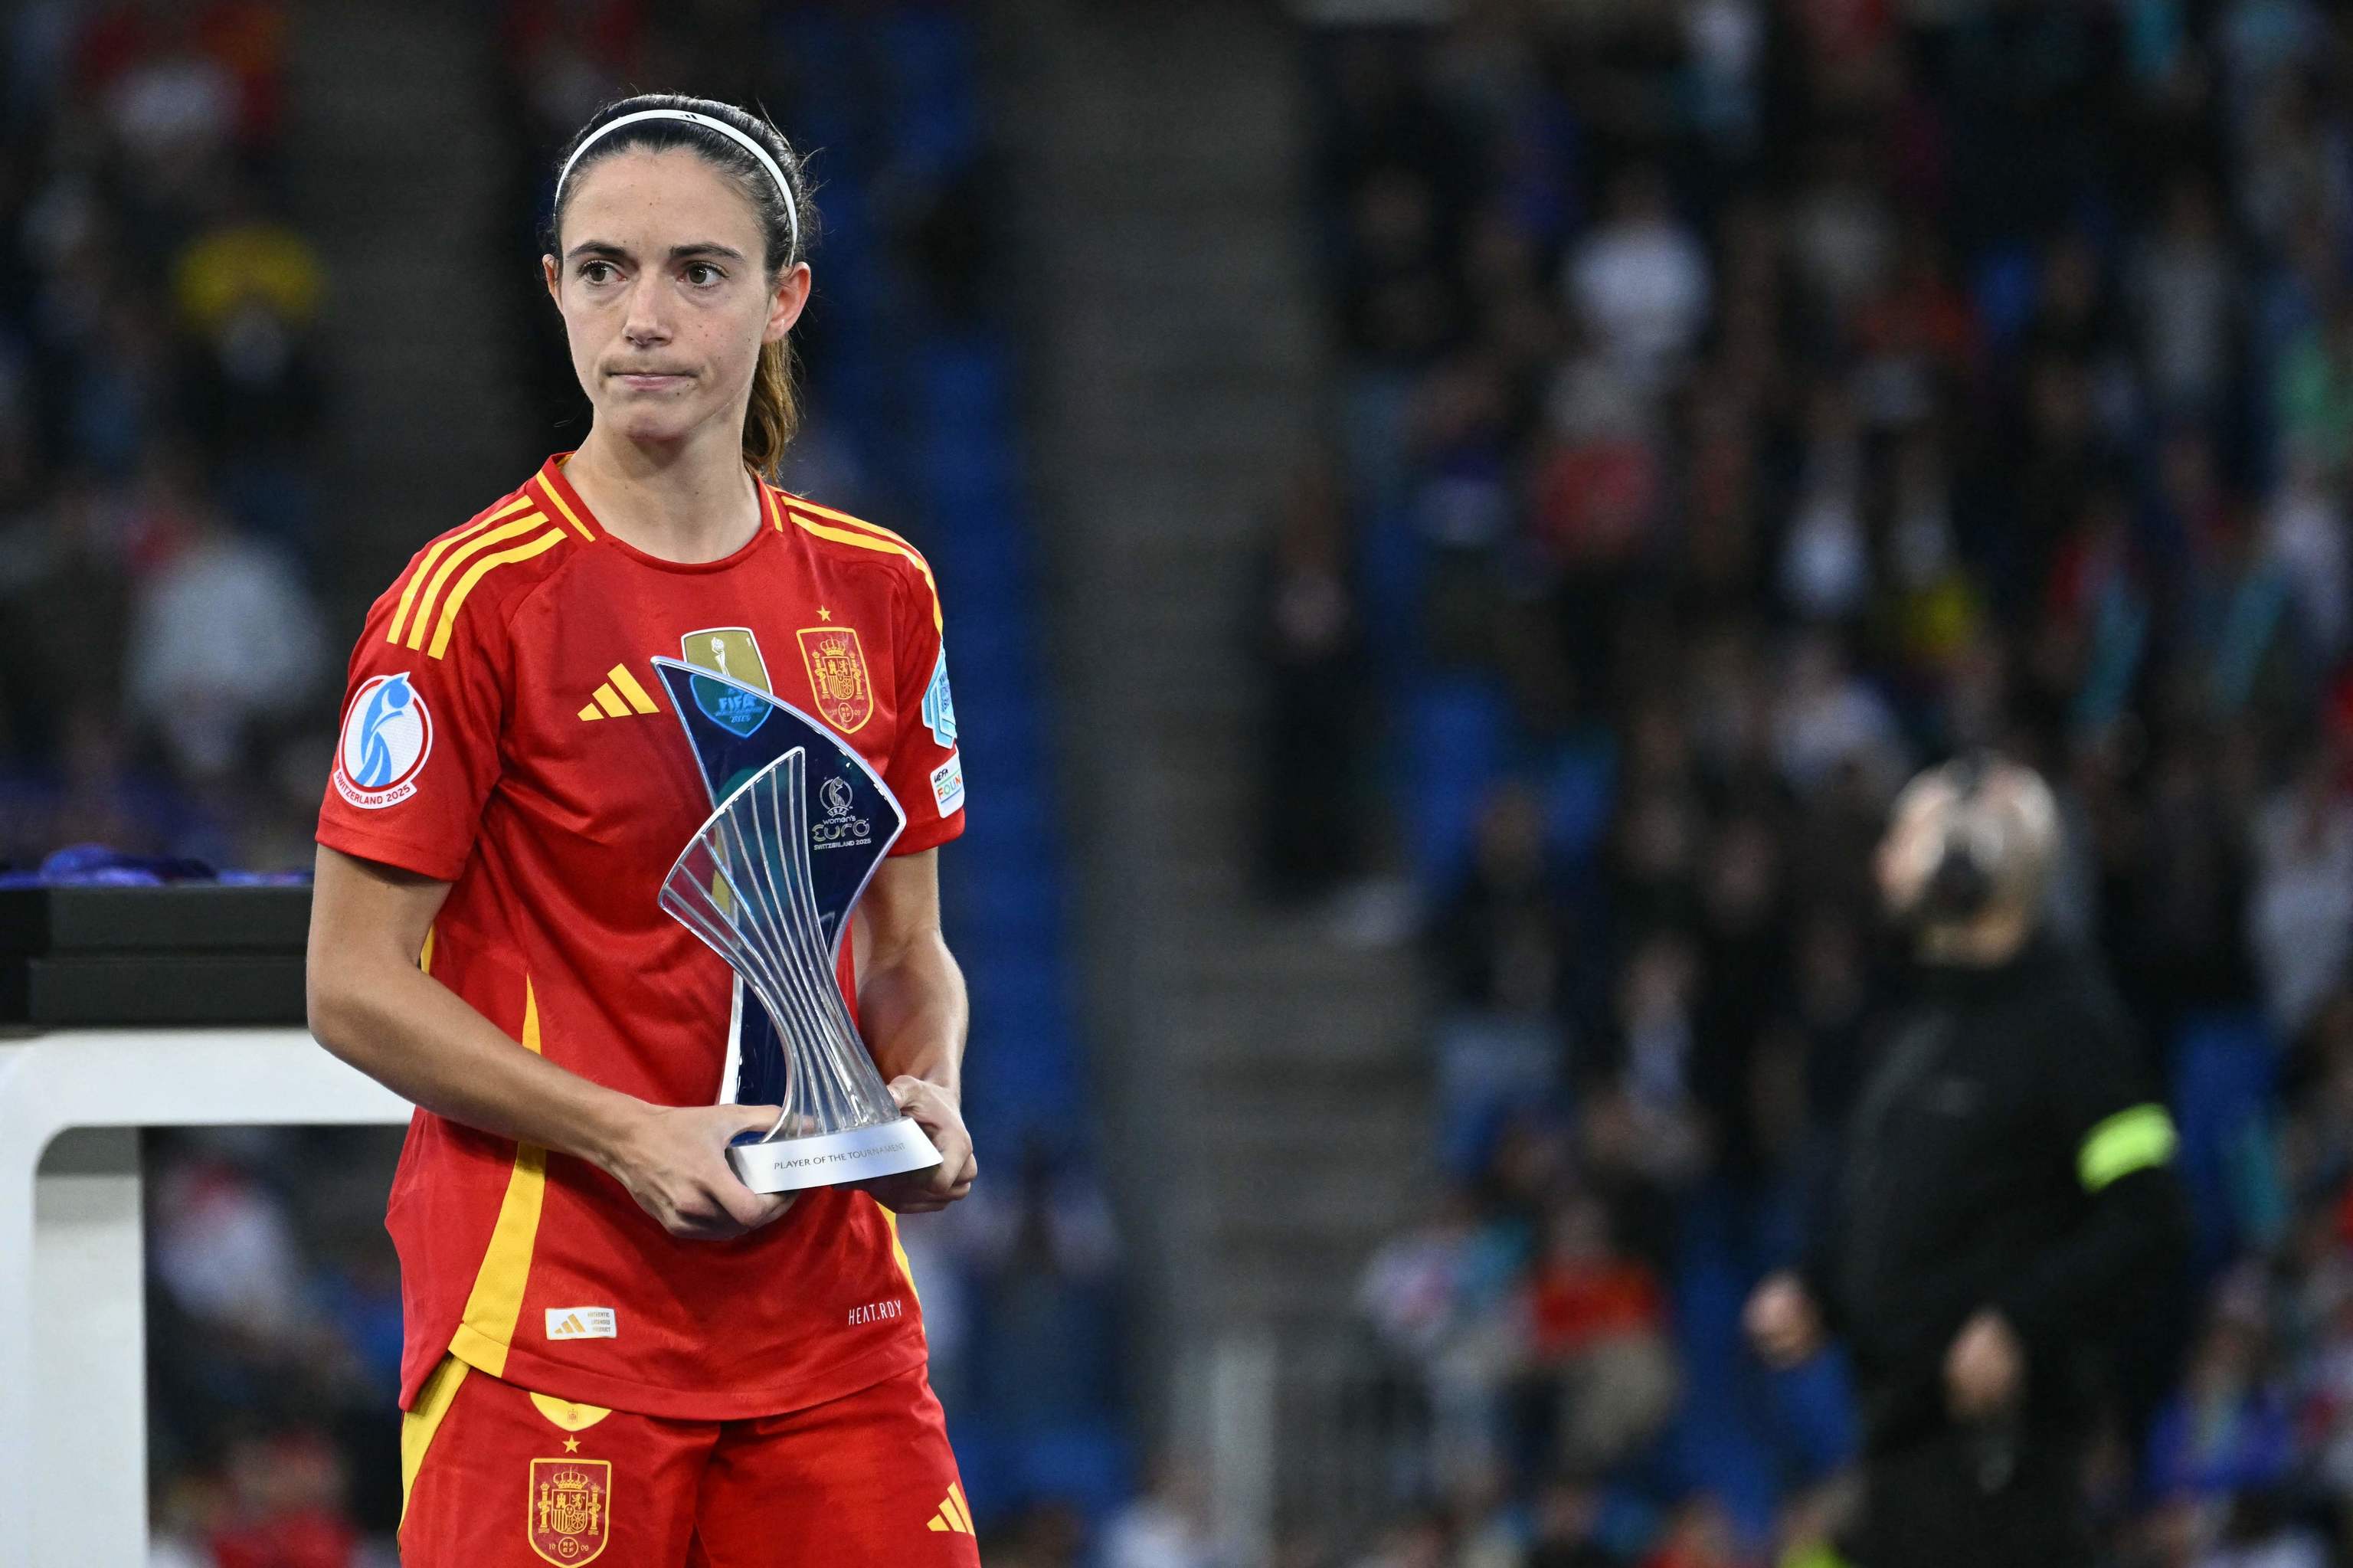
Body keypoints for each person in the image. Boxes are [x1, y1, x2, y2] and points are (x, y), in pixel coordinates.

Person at [304, 95, 980, 1566]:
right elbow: (349, 982)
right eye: (603, 270)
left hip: (833, 1329)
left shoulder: (883, 591)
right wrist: (629, 1133)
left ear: (785, 296)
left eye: (699, 271)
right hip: (552, 1313)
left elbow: (910, 947)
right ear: (553, 290)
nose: (645, 317)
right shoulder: (468, 602)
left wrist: (924, 1094)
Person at [1743, 755, 2189, 1567]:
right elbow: (1899, 1216)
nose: (1885, 863)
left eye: (1908, 839)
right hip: (1898, 1450)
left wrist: (2020, 1321)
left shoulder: (2072, 1027)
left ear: (1972, 858)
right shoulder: (1919, 1029)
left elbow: (2148, 1217)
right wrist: (1821, 1291)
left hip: (1997, 1463)